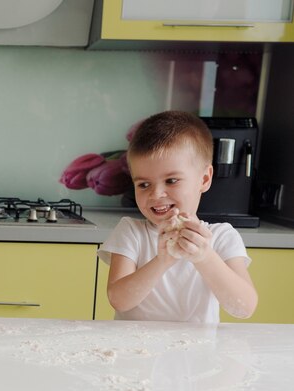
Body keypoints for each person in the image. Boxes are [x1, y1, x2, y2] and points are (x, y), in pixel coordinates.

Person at [98, 110, 258, 323]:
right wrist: (163, 260)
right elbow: (118, 300)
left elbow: (244, 307)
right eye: (144, 184)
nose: (156, 194)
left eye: (171, 180)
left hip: (197, 353)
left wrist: (204, 257)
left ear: (204, 179)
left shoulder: (221, 237)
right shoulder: (130, 232)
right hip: (135, 352)